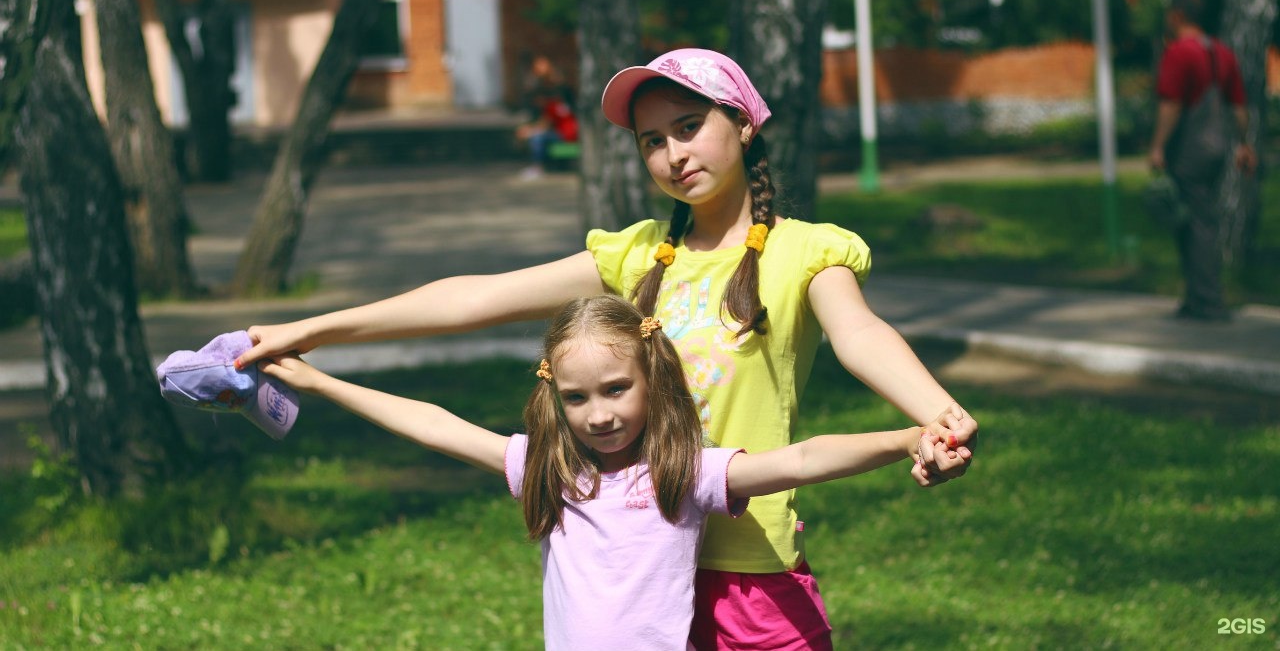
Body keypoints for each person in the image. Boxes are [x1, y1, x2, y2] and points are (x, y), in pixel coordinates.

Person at [235, 47, 977, 649]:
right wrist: (311, 329)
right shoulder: (637, 256)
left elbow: (860, 335)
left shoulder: (804, 253)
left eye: (689, 126)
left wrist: (935, 417)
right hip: (632, 574)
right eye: (652, 140)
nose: (672, 154)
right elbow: (471, 299)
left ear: (745, 124)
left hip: (747, 572)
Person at [258, 295, 961, 650]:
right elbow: (435, 424)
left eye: (616, 389)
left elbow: (803, 457)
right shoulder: (549, 471)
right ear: (553, 395)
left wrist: (906, 435)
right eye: (577, 397)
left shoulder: (682, 473)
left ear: (652, 380)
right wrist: (320, 382)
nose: (598, 414)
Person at [1147, 0, 1257, 322]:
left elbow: (1171, 105)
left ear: (1178, 16)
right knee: (1195, 218)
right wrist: (1243, 144)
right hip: (1218, 145)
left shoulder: (1178, 53)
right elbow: (1238, 106)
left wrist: (1158, 145)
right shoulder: (1222, 53)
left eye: (1170, 14)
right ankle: (1196, 297)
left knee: (1197, 222)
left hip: (1189, 148)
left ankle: (1207, 300)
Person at [514, 55, 578, 179]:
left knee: (537, 138)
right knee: (536, 136)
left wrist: (530, 132)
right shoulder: (553, 103)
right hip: (564, 133)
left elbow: (545, 124)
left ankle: (538, 167)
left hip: (566, 135)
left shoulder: (554, 103)